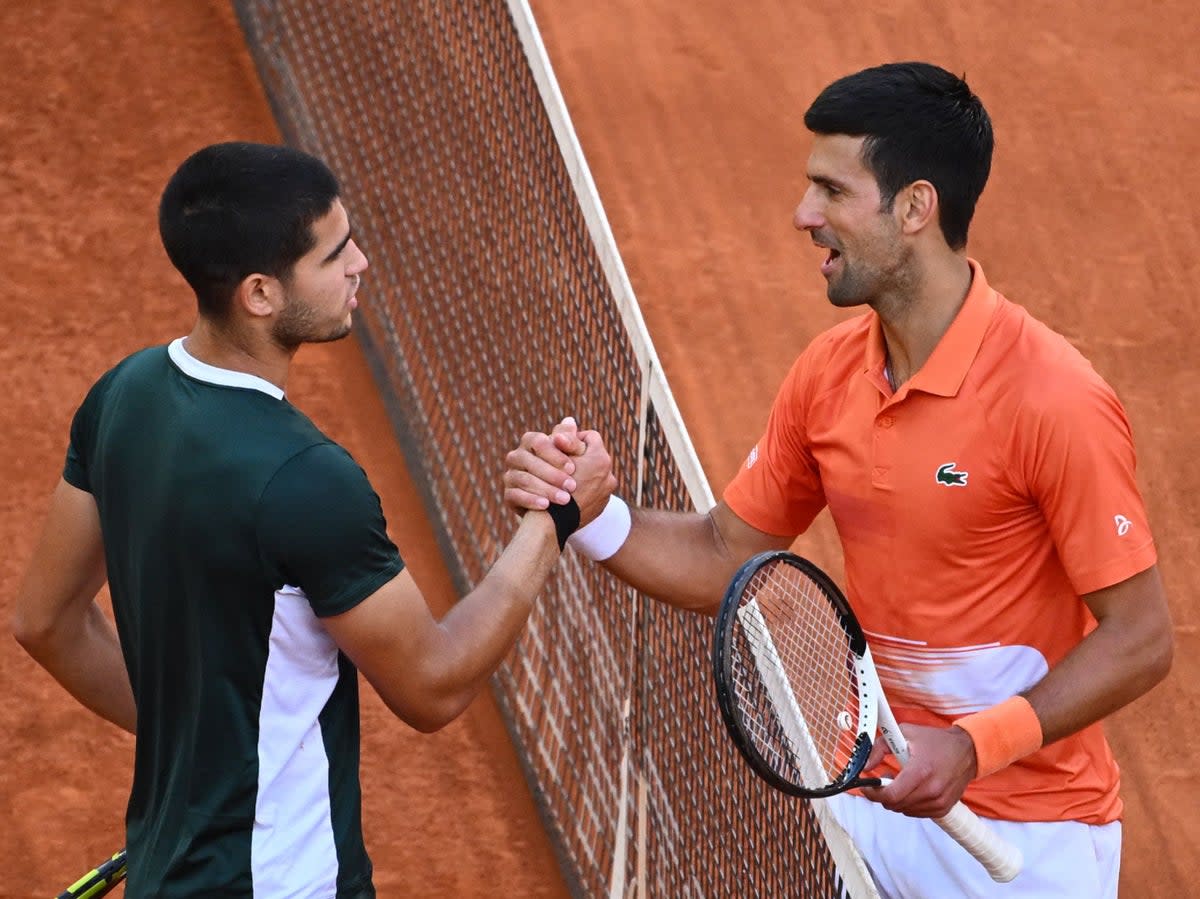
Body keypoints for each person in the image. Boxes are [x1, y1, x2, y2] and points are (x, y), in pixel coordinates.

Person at [503, 62, 1174, 898]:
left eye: (831, 190)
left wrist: (972, 745)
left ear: (915, 207)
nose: (803, 216)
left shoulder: (1054, 399)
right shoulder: (829, 374)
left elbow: (1141, 637)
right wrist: (595, 516)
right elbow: (725, 551)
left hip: (1028, 846)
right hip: (872, 815)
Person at [10, 141, 615, 898]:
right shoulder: (307, 481)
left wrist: (203, 756)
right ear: (260, 294)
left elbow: (45, 621)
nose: (360, 261)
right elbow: (430, 685)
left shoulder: (123, 396)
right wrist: (553, 521)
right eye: (334, 256)